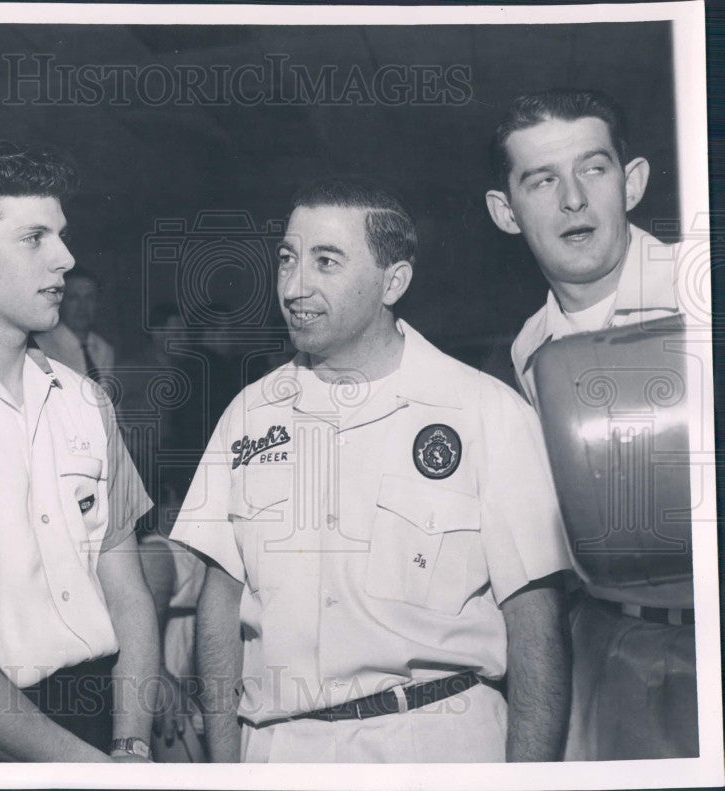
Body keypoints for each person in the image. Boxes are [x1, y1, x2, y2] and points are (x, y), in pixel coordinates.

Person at [170, 177, 573, 763]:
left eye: (325, 262)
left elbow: (536, 622)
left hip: (435, 741)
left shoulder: (486, 413)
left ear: (394, 281)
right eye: (288, 258)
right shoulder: (249, 415)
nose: (294, 285)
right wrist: (227, 765)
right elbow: (219, 604)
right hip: (277, 749)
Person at [0, 141, 159, 761]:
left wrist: (131, 745)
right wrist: (89, 769)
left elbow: (127, 592)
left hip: (110, 715)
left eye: (61, 236)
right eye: (34, 238)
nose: (65, 259)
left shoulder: (85, 400)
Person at [484, 88, 697, 759]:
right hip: (609, 644)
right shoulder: (526, 353)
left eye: (593, 169)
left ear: (631, 182)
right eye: (542, 180)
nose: (572, 199)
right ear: (506, 211)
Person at [33, 266, 115, 379]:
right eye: (73, 298)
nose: (82, 307)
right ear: (61, 302)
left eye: (89, 298)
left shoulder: (104, 350)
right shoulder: (40, 347)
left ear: (98, 303)